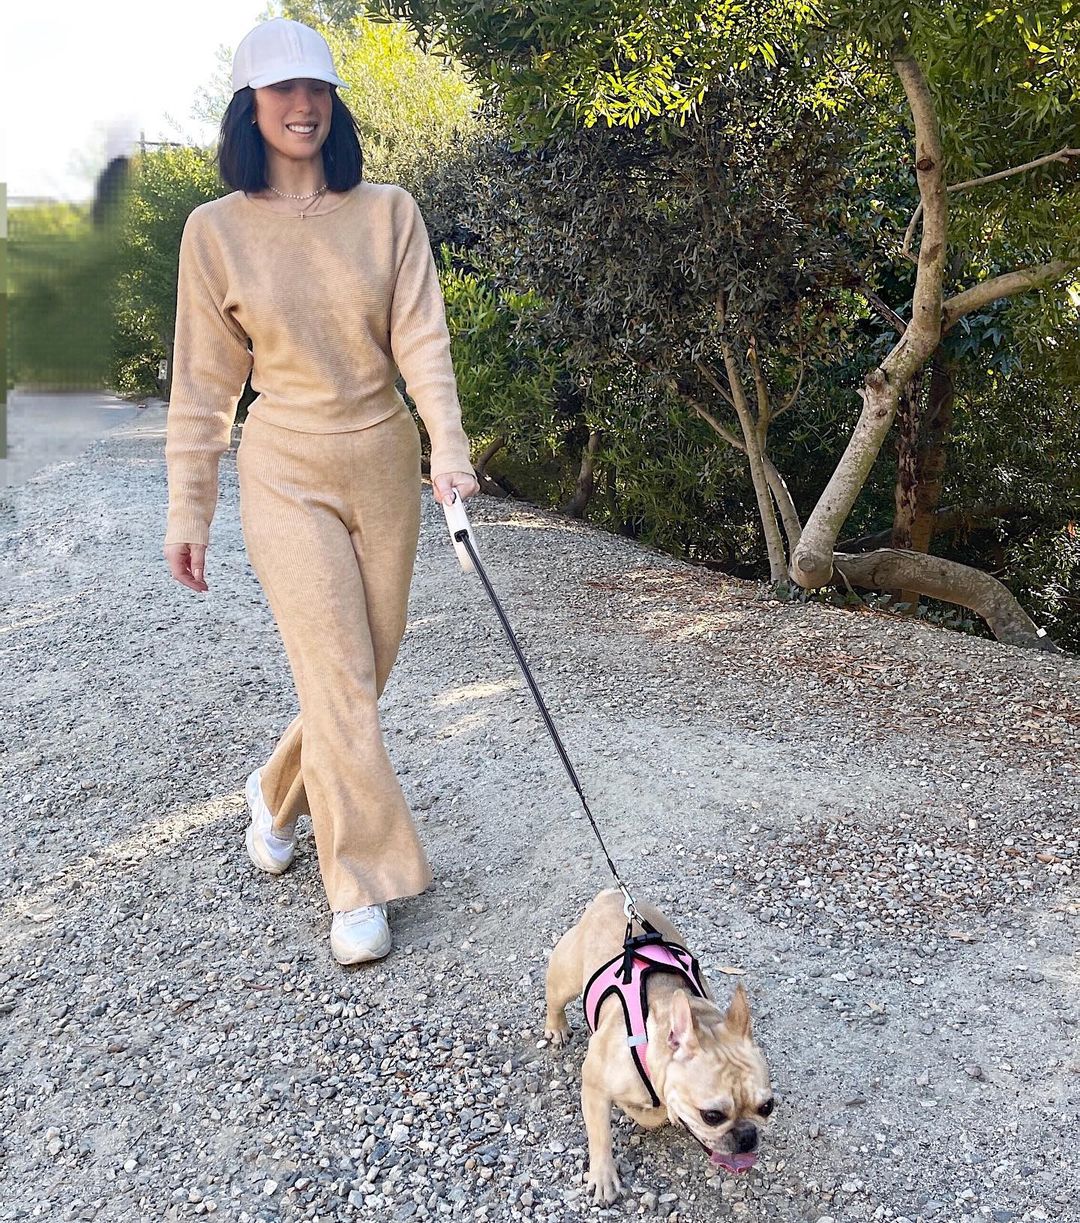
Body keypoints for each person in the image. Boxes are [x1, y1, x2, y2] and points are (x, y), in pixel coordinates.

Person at [162, 17, 479, 965]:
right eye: (280, 91)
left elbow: (422, 337)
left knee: (362, 675)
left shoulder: (389, 211)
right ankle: (359, 884)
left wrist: (447, 446)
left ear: (333, 102)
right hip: (285, 467)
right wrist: (190, 508)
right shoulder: (213, 233)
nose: (302, 107)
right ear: (249, 107)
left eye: (317, 90)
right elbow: (203, 385)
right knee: (341, 680)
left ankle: (273, 791)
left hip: (380, 460)